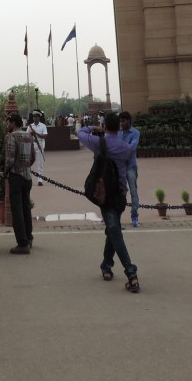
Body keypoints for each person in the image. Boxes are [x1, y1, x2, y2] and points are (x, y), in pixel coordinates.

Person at [78, 112, 140, 292]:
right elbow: (128, 162)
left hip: (104, 194)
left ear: (105, 126)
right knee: (114, 228)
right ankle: (106, 265)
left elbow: (81, 133)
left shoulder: (99, 143)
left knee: (114, 230)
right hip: (120, 195)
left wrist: (94, 128)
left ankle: (131, 272)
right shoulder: (125, 148)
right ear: (119, 127)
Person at [4, 111, 35, 254]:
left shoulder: (12, 136)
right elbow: (33, 157)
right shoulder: (29, 136)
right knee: (26, 208)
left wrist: (5, 172)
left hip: (16, 176)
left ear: (13, 123)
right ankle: (28, 238)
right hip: (27, 177)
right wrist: (25, 165)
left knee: (17, 210)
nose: (8, 124)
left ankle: (22, 243)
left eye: (9, 122)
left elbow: (9, 159)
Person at [118, 111, 141, 227]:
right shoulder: (118, 133)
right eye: (120, 121)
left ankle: (134, 216)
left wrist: (119, 149)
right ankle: (114, 216)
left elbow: (132, 148)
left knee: (133, 191)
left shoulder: (135, 133)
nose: (121, 123)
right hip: (120, 167)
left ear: (129, 121)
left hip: (130, 167)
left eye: (123, 121)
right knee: (118, 192)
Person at [29, 111, 48, 185]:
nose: (35, 118)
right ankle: (29, 178)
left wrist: (35, 133)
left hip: (40, 144)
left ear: (39, 117)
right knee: (29, 162)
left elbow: (45, 136)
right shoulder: (30, 126)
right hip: (31, 144)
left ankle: (40, 180)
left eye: (36, 117)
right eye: (34, 117)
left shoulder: (43, 126)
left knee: (40, 163)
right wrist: (31, 134)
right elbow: (27, 136)